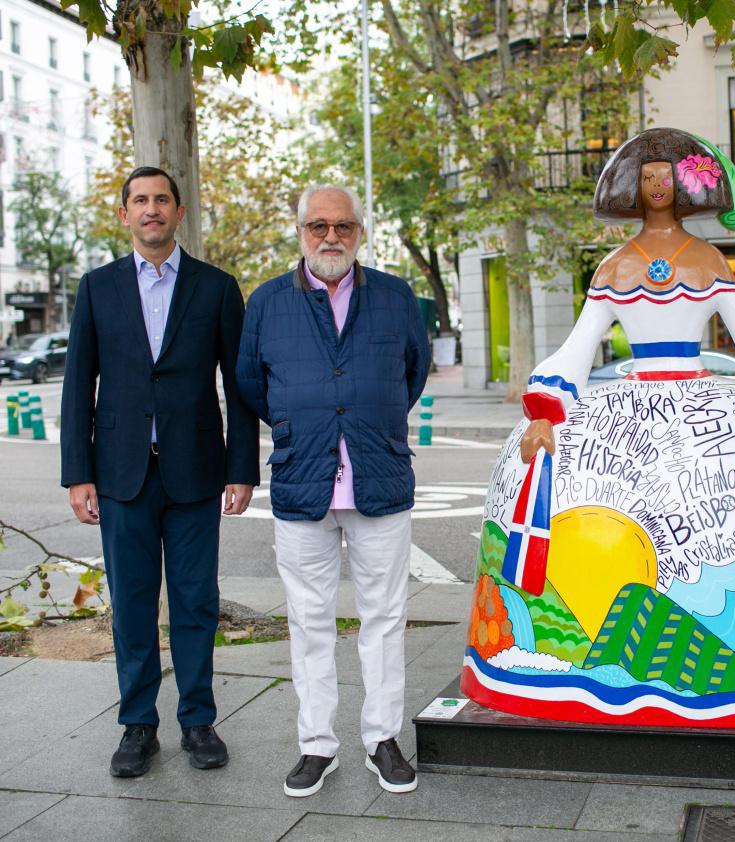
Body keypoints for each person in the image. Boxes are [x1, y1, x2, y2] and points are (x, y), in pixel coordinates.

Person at [459, 128, 735, 732]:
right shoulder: (614, 267)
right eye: (647, 177)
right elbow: (580, 345)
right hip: (629, 404)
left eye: (666, 177)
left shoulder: (707, 260)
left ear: (684, 186)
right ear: (632, 189)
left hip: (700, 395)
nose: (657, 186)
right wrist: (545, 412)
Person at [60, 166, 259, 778]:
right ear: (124, 214)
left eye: (161, 200)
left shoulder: (217, 288)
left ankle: (198, 720)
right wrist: (77, 473)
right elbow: (77, 386)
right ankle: (137, 724)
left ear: (178, 211)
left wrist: (241, 468)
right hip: (120, 475)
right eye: (140, 201)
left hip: (196, 472)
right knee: (132, 605)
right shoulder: (96, 288)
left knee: (196, 602)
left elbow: (240, 385)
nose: (151, 209)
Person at [237, 185, 431, 798]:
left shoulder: (397, 297)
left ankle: (381, 739)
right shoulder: (267, 302)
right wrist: (303, 422)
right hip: (302, 482)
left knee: (385, 618)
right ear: (300, 232)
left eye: (343, 226)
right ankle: (317, 745)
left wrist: (365, 419)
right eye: (318, 225)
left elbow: (412, 374)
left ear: (360, 233)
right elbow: (251, 384)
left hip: (380, 477)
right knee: (309, 620)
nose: (330, 237)